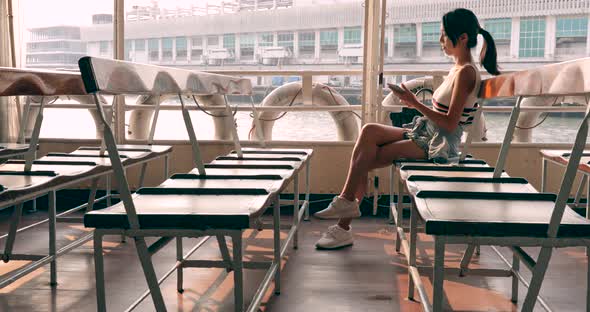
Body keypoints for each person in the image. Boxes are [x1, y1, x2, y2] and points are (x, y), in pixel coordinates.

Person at [314, 8, 500, 249]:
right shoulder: (458, 69)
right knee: (369, 131)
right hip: (427, 132)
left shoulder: (466, 73)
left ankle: (344, 221)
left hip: (440, 144)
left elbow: (450, 123)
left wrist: (414, 103)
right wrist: (415, 104)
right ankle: (345, 206)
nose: (440, 40)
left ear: (462, 38)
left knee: (365, 158)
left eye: (444, 35)